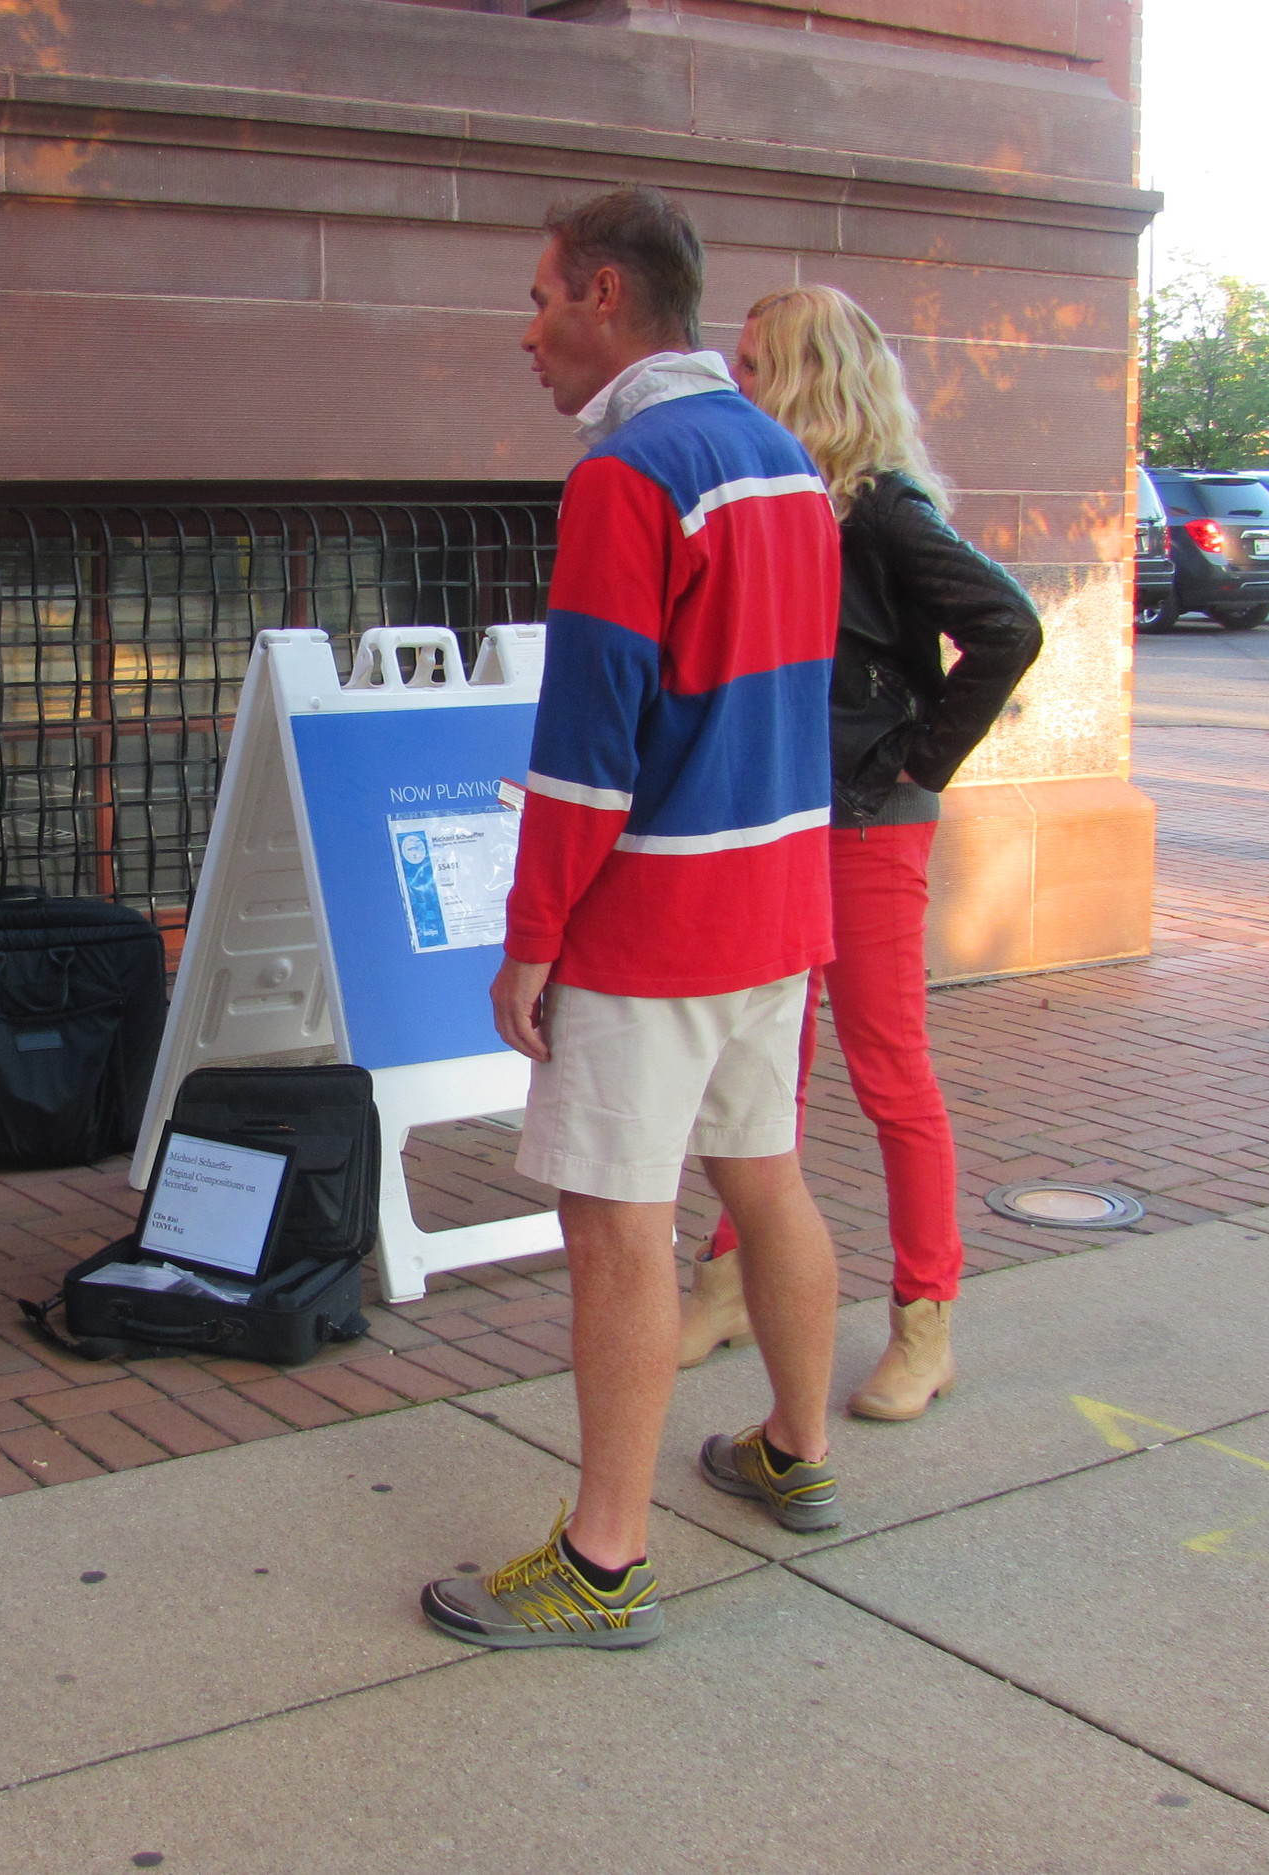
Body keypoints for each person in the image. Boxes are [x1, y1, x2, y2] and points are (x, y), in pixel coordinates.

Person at [421, 188, 846, 1652]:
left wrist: (532, 935)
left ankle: (605, 1557)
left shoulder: (625, 477)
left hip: (656, 916)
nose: (525, 328)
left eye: (541, 296)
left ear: (606, 296)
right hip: (779, 898)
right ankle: (797, 1443)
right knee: (766, 1177)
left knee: (617, 1231)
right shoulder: (784, 460)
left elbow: (588, 744)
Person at [679, 286, 1042, 1421]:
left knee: (887, 1072)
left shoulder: (881, 508)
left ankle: (922, 1326)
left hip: (865, 824)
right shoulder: (783, 499)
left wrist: (914, 760)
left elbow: (1007, 627)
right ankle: (730, 1282)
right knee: (758, 1061)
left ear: (799, 378)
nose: (731, 382)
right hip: (784, 817)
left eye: (749, 366)